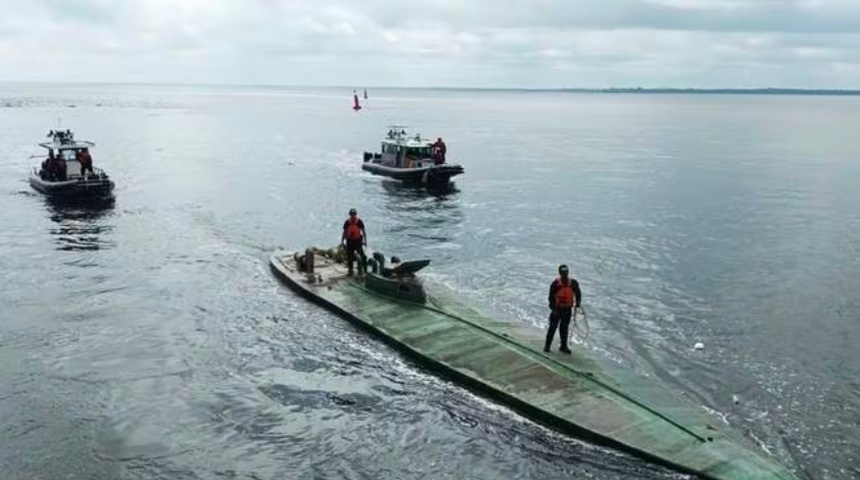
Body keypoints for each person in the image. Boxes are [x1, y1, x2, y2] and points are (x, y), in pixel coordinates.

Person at [544, 264, 582, 354]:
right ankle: (547, 345)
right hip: (557, 309)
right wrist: (554, 309)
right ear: (560, 273)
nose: (564, 274)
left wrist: (577, 304)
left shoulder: (573, 283)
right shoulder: (555, 284)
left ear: (568, 272)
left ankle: (563, 346)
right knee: (552, 328)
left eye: (566, 272)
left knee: (564, 329)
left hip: (567, 310)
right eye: (563, 272)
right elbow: (550, 298)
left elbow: (578, 294)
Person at [341, 208, 367, 276]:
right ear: (350, 215)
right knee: (349, 256)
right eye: (351, 214)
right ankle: (350, 270)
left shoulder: (359, 221)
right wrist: (342, 241)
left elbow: (363, 231)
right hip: (349, 241)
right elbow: (344, 232)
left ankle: (364, 269)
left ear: (356, 214)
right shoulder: (347, 222)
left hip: (357, 240)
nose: (353, 215)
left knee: (362, 255)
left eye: (354, 214)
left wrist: (365, 240)